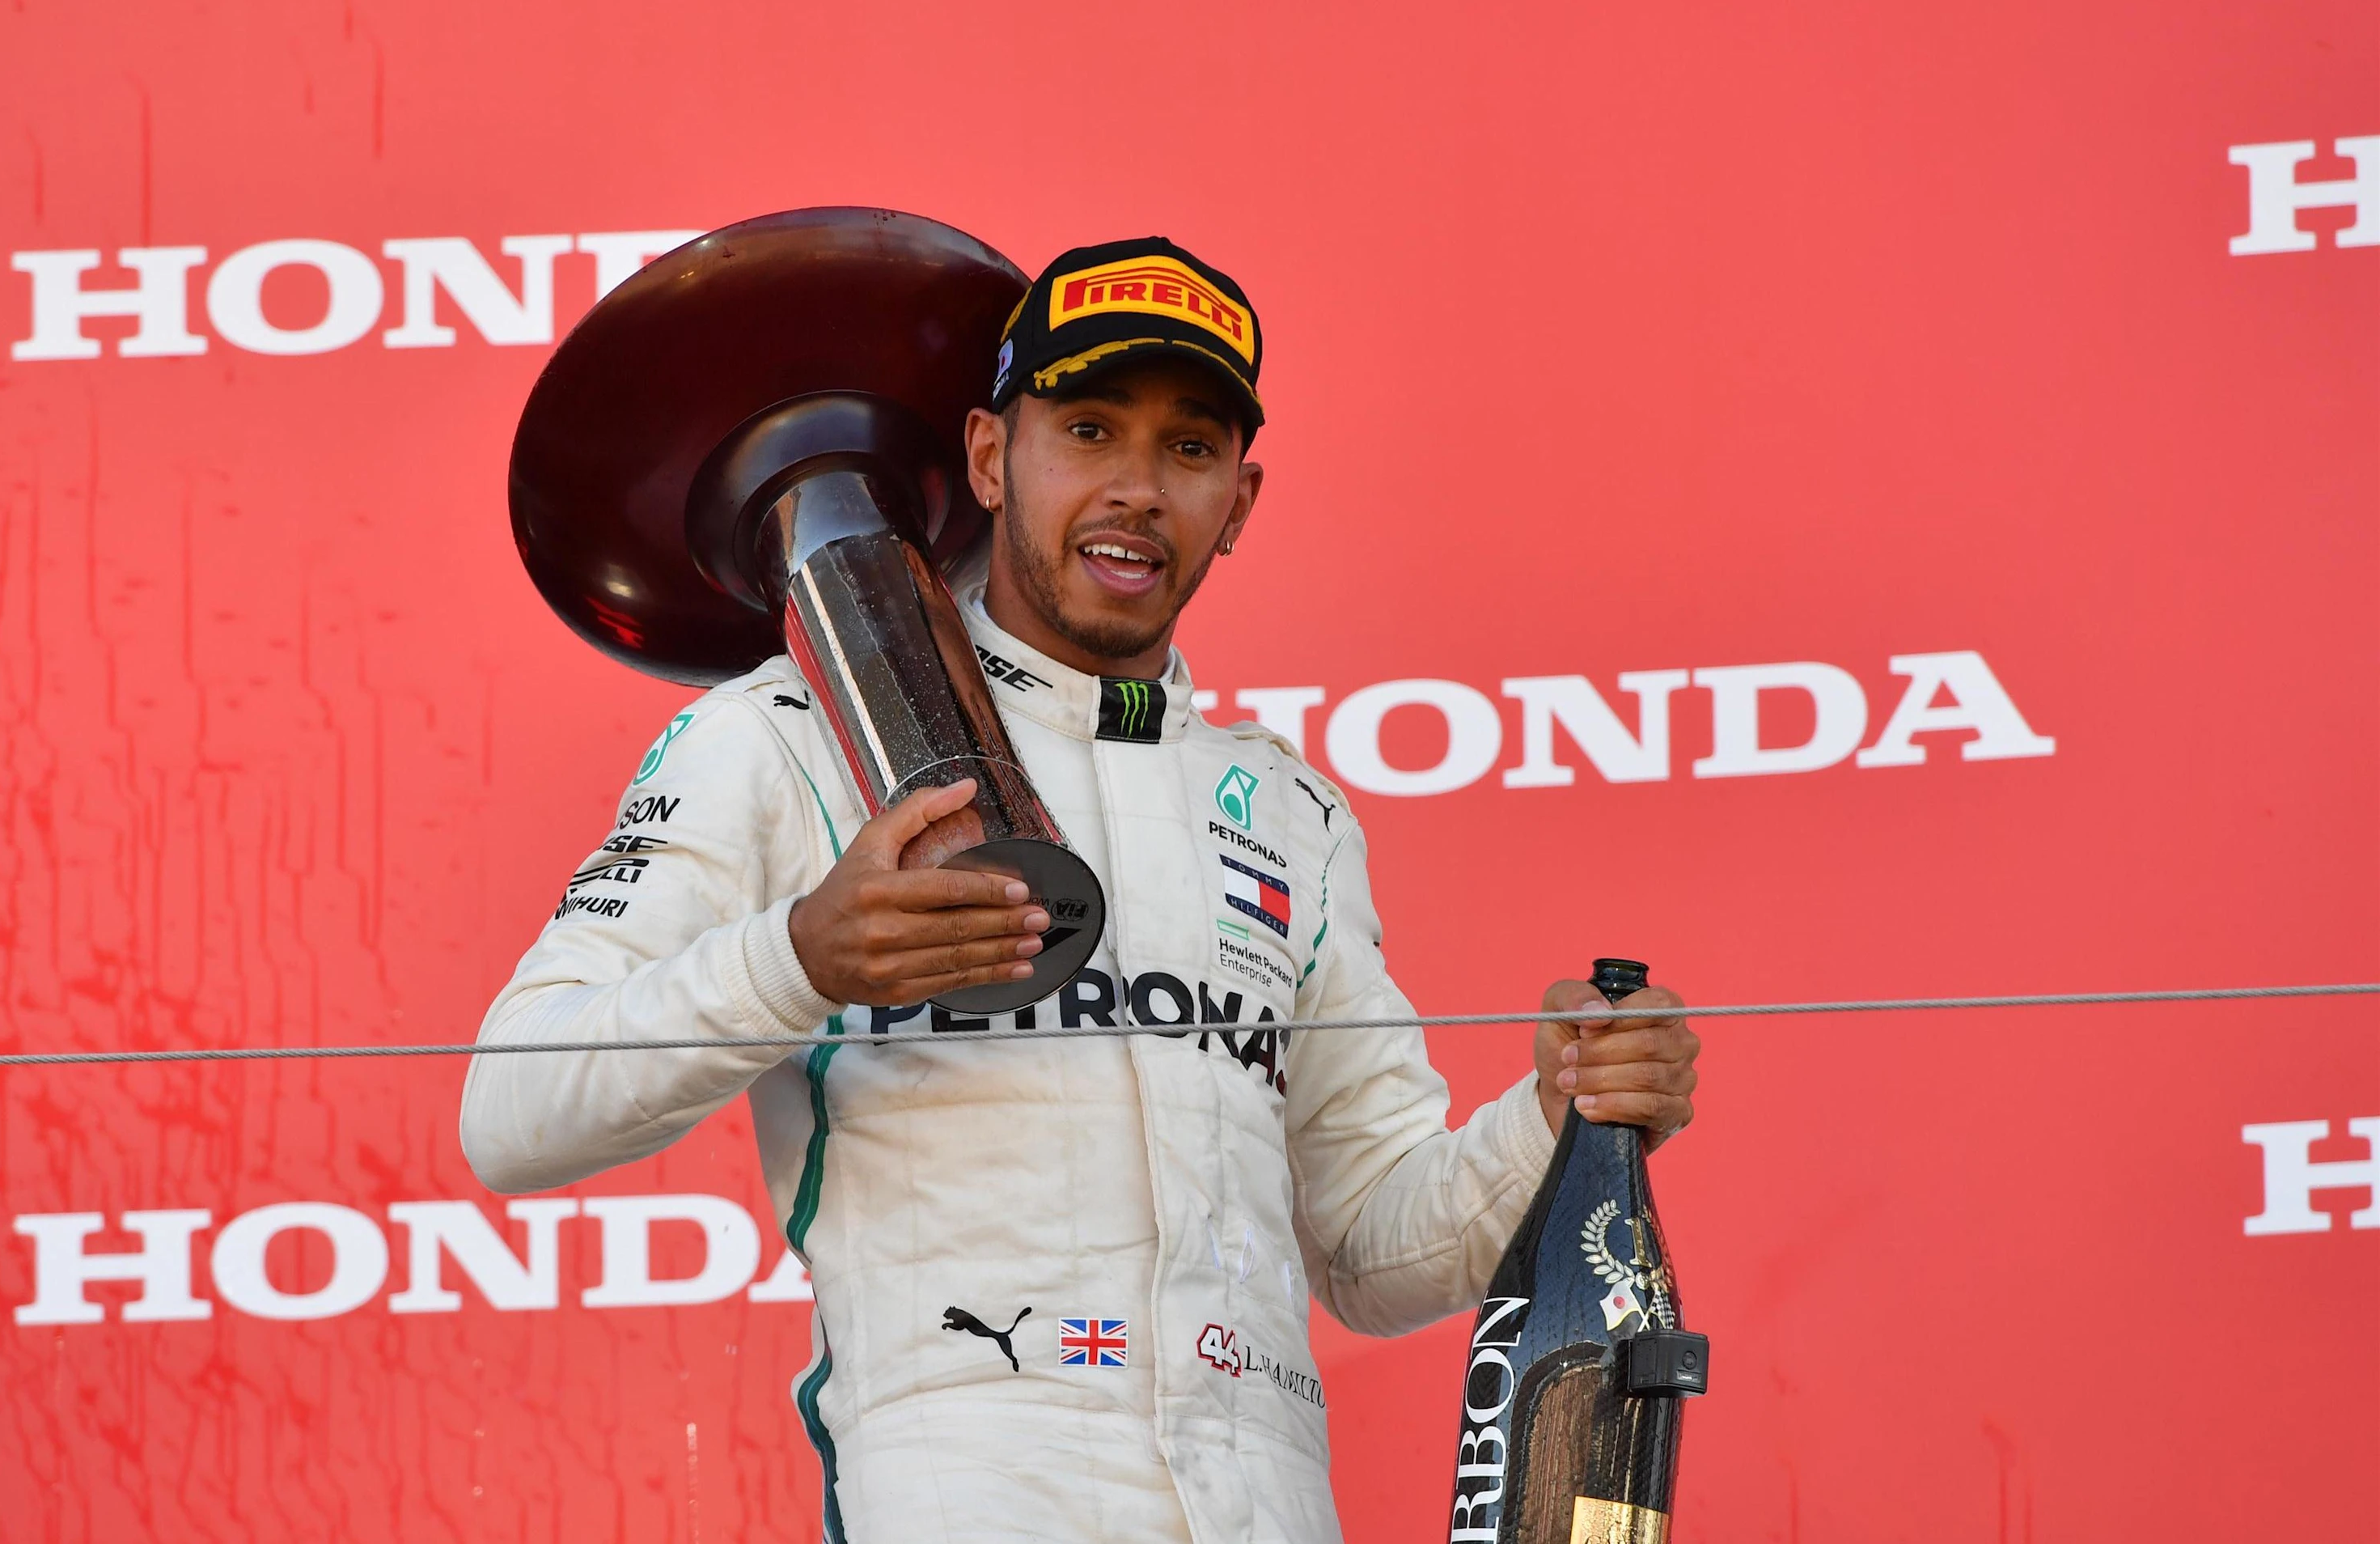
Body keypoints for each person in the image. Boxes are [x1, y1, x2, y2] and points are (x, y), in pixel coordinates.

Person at [459, 237, 1701, 1543]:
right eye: (1091, 430)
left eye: (1189, 449)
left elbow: (1369, 1251)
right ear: (990, 460)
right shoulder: (788, 731)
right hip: (961, 1484)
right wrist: (801, 962)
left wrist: (1560, 1117)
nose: (1138, 490)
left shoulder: (1293, 810)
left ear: (1242, 499)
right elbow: (513, 1110)